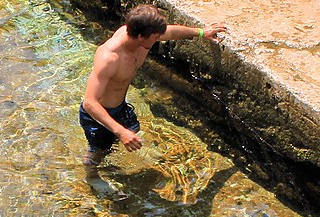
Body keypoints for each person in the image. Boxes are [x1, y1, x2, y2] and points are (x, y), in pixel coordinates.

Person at [80, 4, 225, 165]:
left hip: (119, 107)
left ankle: (115, 150)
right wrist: (121, 132)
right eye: (156, 37)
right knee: (99, 152)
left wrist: (202, 32)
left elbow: (171, 32)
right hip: (98, 116)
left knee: (132, 131)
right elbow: (89, 103)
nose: (159, 39)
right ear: (142, 36)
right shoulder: (109, 58)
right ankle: (91, 177)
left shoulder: (140, 37)